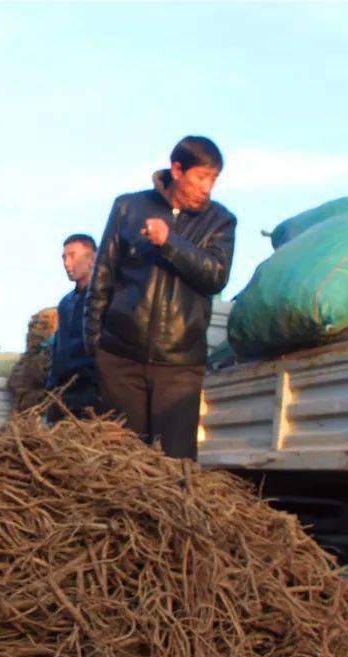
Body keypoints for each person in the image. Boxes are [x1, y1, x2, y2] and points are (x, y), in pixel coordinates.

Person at [85, 136, 236, 460]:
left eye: (213, 179)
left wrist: (170, 242)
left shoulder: (220, 220)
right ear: (177, 169)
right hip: (121, 360)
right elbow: (102, 277)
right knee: (120, 463)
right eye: (201, 177)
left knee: (175, 468)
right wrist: (97, 347)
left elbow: (215, 276)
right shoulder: (128, 207)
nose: (207, 188)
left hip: (179, 366)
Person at [47, 234, 99, 420]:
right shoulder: (66, 303)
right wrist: (52, 387)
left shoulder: (106, 299)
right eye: (64, 257)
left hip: (92, 392)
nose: (67, 263)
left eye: (73, 255)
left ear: (92, 257)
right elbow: (59, 349)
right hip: (64, 393)